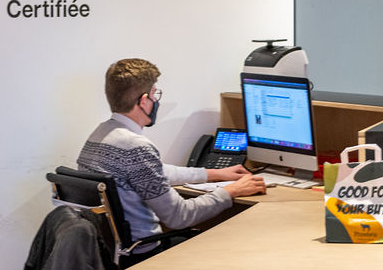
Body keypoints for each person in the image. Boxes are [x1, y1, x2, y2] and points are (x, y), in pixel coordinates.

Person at [77, 57, 266, 246]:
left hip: (111, 251)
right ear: (144, 101)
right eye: (154, 95)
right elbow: (178, 216)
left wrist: (212, 174)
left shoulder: (100, 135)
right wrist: (230, 192)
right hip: (143, 253)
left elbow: (154, 172)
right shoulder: (136, 147)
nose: (156, 101)